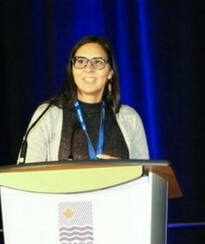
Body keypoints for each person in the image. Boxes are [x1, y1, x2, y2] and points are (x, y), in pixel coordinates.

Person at [18, 35, 149, 163]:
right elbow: (27, 175)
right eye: (81, 61)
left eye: (98, 62)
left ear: (110, 72)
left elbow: (147, 177)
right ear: (72, 70)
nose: (88, 69)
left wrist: (124, 173)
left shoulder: (130, 118)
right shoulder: (47, 114)